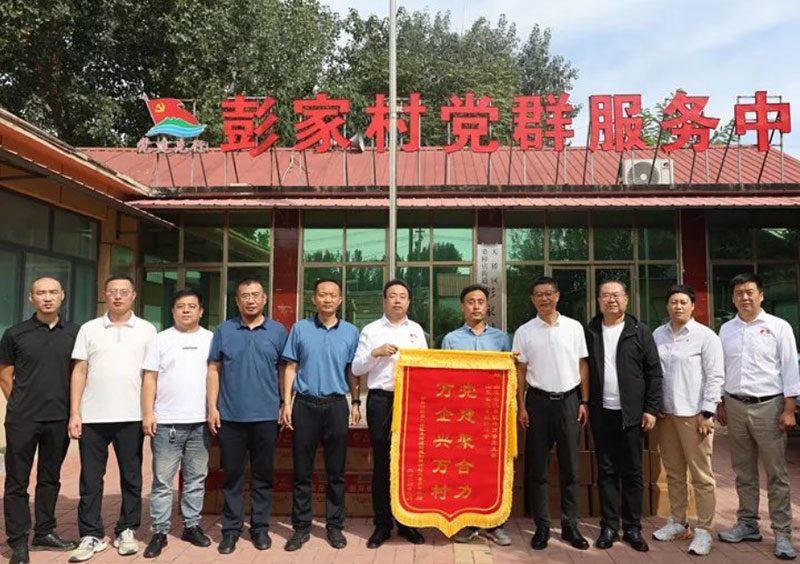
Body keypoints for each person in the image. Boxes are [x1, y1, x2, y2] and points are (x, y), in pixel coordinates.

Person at [68, 275, 157, 562]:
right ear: (105, 295)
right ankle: (91, 533)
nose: (118, 296)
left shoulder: (147, 330)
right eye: (113, 291)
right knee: (90, 479)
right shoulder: (89, 329)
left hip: (132, 416)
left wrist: (148, 412)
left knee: (132, 477)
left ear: (134, 295)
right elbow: (79, 371)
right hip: (93, 417)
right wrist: (75, 413)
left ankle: (127, 529)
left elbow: (151, 375)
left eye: (124, 292)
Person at [717, 273, 799, 560]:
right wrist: (720, 403)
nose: (745, 297)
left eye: (749, 292)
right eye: (739, 293)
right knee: (743, 471)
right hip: (735, 405)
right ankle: (748, 524)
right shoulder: (726, 329)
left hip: (769, 406)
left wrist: (789, 409)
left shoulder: (778, 327)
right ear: (733, 298)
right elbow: (721, 368)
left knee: (776, 473)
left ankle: (783, 533)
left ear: (761, 295)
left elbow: (790, 368)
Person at [0, 277, 79, 564]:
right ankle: (18, 542)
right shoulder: (15, 333)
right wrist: (21, 404)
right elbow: (5, 374)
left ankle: (45, 532)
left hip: (58, 418)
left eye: (53, 292)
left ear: (62, 296)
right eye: (41, 293)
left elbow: (79, 373)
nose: (47, 297)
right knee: (17, 482)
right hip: (22, 420)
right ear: (31, 298)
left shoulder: (75, 333)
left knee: (50, 479)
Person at [207, 278, 288, 555]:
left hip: (266, 416)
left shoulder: (277, 331)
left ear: (264, 298)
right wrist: (212, 407)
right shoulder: (224, 330)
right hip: (230, 417)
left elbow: (284, 370)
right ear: (237, 301)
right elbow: (214, 369)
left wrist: (285, 403)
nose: (250, 300)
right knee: (232, 476)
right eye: (245, 296)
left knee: (263, 475)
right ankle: (230, 530)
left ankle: (260, 527)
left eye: (255, 295)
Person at [279, 279, 361, 552]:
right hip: (304, 405)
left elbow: (352, 371)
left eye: (332, 295)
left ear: (340, 300)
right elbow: (290, 367)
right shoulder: (300, 329)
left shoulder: (350, 332)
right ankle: (301, 528)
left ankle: (334, 526)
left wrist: (355, 402)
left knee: (336, 472)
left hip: (336, 405)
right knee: (302, 471)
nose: (327, 299)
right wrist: (286, 403)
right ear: (313, 299)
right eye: (322, 295)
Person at [584, 279, 662, 553]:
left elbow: (654, 372)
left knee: (632, 472)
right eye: (605, 295)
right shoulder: (590, 331)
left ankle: (632, 527)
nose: (611, 300)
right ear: (598, 301)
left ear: (626, 300)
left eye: (616, 295)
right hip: (601, 412)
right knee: (606, 471)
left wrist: (650, 408)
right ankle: (608, 526)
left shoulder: (639, 331)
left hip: (632, 415)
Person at [513, 277, 590, 551]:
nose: (544, 298)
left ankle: (570, 526)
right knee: (538, 468)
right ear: (532, 299)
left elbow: (582, 365)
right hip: (537, 403)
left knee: (571, 468)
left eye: (549, 293)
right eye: (538, 294)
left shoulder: (574, 327)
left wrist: (584, 401)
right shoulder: (524, 331)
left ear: (557, 296)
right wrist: (521, 406)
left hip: (569, 401)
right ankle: (542, 526)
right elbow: (520, 370)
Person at [352, 279, 427, 549]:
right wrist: (375, 353)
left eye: (402, 296)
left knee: (407, 462)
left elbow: (427, 365)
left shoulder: (416, 330)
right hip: (381, 400)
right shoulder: (371, 330)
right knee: (382, 462)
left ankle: (406, 522)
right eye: (392, 296)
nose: (397, 300)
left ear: (409, 301)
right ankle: (382, 524)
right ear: (384, 300)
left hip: (410, 401)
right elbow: (356, 368)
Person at [651, 284, 724, 556]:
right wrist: (655, 404)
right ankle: (678, 522)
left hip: (695, 416)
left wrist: (708, 412)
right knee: (673, 472)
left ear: (693, 306)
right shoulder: (658, 334)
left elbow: (715, 375)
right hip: (667, 415)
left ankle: (704, 530)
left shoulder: (705, 336)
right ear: (667, 305)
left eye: (683, 302)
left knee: (702, 476)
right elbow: (654, 373)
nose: (678, 306)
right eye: (673, 302)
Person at [141, 289, 214, 558]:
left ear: (201, 311)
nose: (186, 310)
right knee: (162, 481)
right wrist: (148, 413)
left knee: (196, 478)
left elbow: (216, 376)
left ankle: (191, 526)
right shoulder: (161, 340)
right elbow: (150, 378)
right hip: (166, 422)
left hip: (200, 422)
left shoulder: (211, 339)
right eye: (181, 306)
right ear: (172, 311)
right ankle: (159, 531)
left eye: (192, 306)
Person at [442, 284, 514, 547]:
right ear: (462, 306)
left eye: (480, 301)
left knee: (492, 470)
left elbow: (510, 375)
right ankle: (467, 522)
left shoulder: (501, 339)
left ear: (487, 307)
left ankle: (494, 525)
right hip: (462, 417)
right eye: (470, 301)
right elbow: (444, 376)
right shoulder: (450, 340)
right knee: (464, 470)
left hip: (492, 415)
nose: (476, 306)